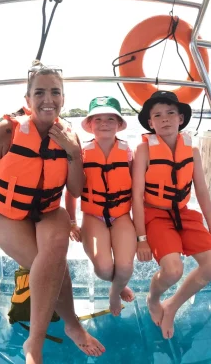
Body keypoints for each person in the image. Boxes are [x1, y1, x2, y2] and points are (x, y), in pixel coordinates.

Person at [0, 63, 105, 364]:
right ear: (27, 100)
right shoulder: (6, 132)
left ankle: (35, 342)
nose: (47, 99)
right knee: (55, 270)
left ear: (63, 98)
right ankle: (70, 327)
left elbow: (77, 190)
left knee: (54, 253)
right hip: (9, 214)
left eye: (55, 92)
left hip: (50, 210)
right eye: (39, 93)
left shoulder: (69, 137)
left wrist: (71, 151)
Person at [132, 90, 211, 339]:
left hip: (184, 213)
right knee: (173, 270)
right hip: (154, 215)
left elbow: (203, 192)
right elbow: (136, 197)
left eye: (170, 113)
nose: (164, 118)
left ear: (181, 119)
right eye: (157, 115)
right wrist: (141, 238)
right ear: (150, 123)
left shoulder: (193, 151)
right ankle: (154, 299)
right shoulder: (143, 151)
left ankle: (172, 306)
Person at [67, 96, 137, 316]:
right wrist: (71, 222)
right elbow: (72, 190)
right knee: (104, 268)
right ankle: (119, 284)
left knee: (125, 267)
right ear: (90, 125)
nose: (104, 123)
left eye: (110, 118)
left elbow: (136, 191)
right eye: (98, 119)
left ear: (118, 124)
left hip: (122, 215)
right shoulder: (82, 153)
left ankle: (114, 294)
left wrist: (143, 231)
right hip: (93, 216)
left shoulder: (128, 153)